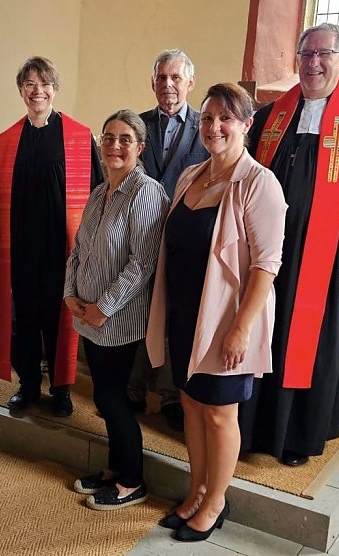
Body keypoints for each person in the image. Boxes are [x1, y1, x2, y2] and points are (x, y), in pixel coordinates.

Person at [240, 23, 339, 467]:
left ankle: (296, 436)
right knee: (264, 329)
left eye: (324, 54)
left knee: (308, 341)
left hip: (324, 258)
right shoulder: (271, 115)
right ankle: (252, 426)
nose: (313, 63)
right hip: (269, 251)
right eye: (306, 54)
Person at [146, 83, 286, 542]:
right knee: (190, 404)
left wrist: (241, 330)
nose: (215, 127)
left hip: (226, 321)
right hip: (187, 315)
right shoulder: (190, 176)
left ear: (247, 125)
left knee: (220, 414)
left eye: (226, 118)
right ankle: (197, 489)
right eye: (207, 118)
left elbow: (266, 266)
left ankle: (215, 502)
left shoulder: (258, 184)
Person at [67, 110, 168, 510]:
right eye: (108, 138)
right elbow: (78, 250)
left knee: (112, 399)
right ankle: (113, 469)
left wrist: (103, 308)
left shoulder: (146, 193)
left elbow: (142, 264)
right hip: (88, 315)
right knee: (103, 397)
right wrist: (69, 294)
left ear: (140, 148)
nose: (114, 146)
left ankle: (133, 480)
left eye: (125, 139)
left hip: (117, 320)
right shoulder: (98, 192)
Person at [0, 56, 104, 417]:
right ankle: (27, 384)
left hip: (64, 248)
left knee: (61, 317)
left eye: (44, 84)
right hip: (24, 246)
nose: (37, 90)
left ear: (55, 89)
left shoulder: (77, 136)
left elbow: (96, 192)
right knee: (25, 316)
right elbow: (1, 189)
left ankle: (61, 388)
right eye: (29, 84)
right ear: (21, 91)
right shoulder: (9, 139)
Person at [129, 49, 210, 431]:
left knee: (177, 315)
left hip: (183, 241)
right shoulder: (137, 125)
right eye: (161, 78)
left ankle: (174, 395)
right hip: (141, 234)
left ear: (190, 83)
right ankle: (133, 387)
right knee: (137, 309)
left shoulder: (207, 128)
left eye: (176, 78)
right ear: (152, 83)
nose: (168, 85)